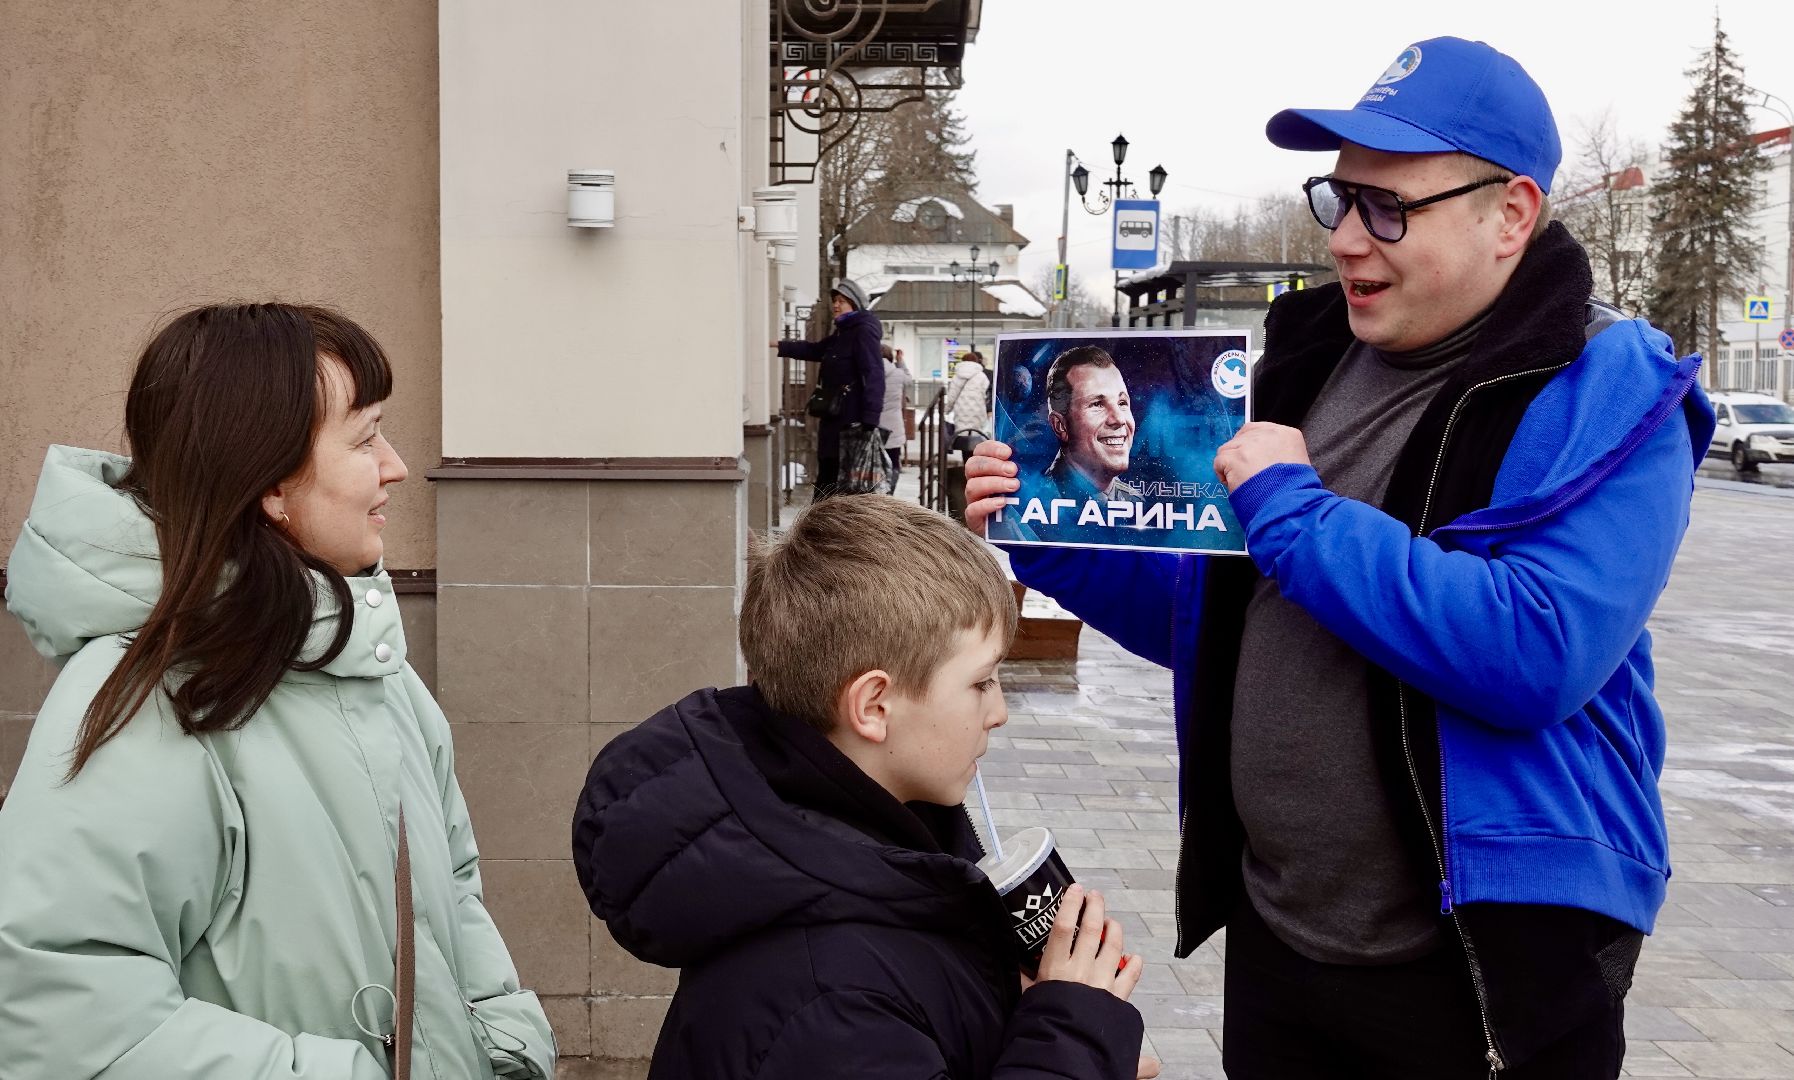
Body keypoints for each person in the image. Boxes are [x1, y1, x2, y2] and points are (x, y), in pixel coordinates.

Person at [963, 37, 1714, 1079]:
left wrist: (1297, 514)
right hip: (1285, 941)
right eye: (1341, 200)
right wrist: (1046, 529)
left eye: (1391, 209)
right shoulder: (1307, 363)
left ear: (1512, 215)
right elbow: (1215, 618)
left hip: (1485, 966)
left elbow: (1539, 649)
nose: (1349, 243)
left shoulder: (1611, 389)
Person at [0, 304, 557, 1079]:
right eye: (364, 439)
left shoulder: (376, 672)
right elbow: (61, 1016)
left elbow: (452, 890)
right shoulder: (145, 702)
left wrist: (502, 1040)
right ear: (269, 483)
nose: (395, 465)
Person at [570, 495, 1154, 1080]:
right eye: (982, 683)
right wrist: (1077, 1037)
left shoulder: (872, 846)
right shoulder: (826, 997)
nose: (999, 712)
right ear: (874, 705)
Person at [775, 279, 884, 500]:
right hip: (833, 419)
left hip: (851, 424)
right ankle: (821, 525)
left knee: (841, 482)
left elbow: (873, 373)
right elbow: (815, 350)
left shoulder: (863, 331)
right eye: (834, 300)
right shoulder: (841, 333)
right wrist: (779, 345)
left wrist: (870, 419)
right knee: (828, 475)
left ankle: (831, 526)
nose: (836, 305)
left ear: (854, 303)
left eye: (842, 301)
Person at [1040, 345, 1139, 503]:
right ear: (1060, 426)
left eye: (1122, 402)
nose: (1119, 419)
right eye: (1097, 404)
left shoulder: (1137, 502)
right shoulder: (1031, 502)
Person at [880, 343, 914, 494]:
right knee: (893, 461)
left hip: (874, 423)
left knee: (876, 460)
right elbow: (909, 381)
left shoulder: (869, 371)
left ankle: (875, 492)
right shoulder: (899, 373)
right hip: (894, 425)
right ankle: (889, 492)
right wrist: (901, 361)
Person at [943, 350, 992, 452]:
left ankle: (965, 462)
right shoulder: (982, 376)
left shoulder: (957, 377)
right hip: (978, 412)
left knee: (963, 437)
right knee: (977, 439)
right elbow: (986, 395)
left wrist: (946, 410)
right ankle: (974, 462)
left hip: (961, 412)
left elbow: (952, 396)